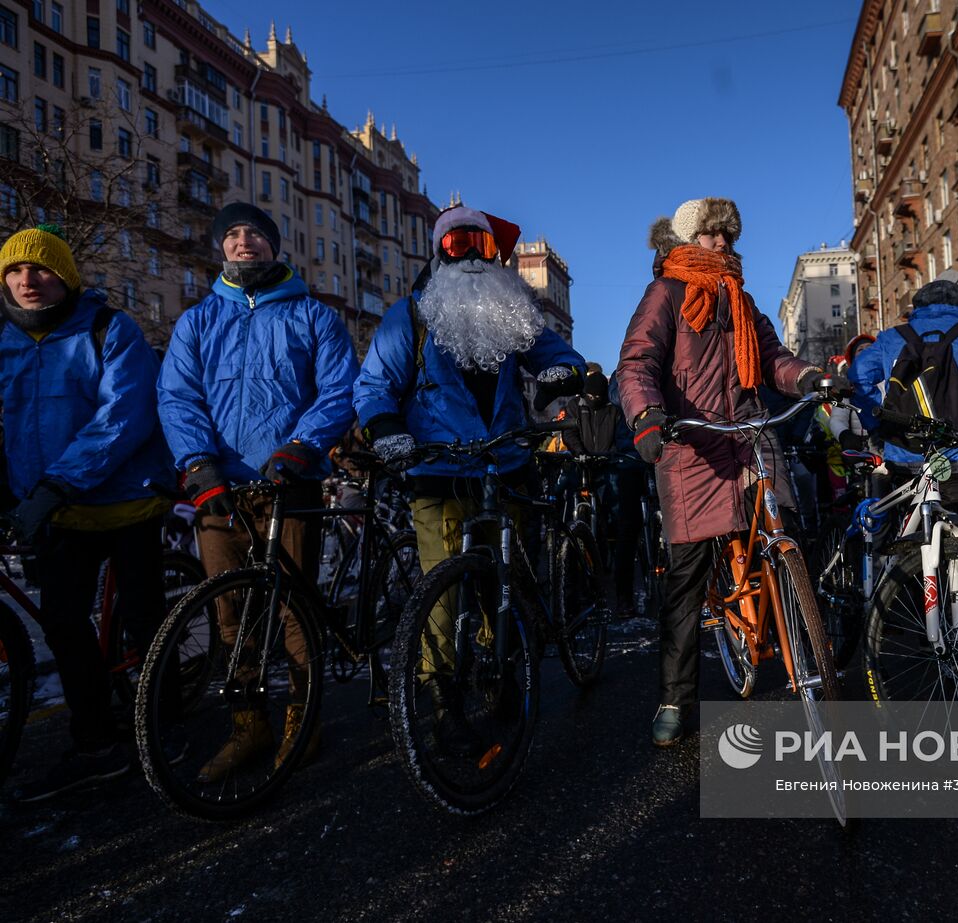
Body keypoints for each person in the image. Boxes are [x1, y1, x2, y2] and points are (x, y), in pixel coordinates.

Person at [354, 202, 584, 752]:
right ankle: (443, 700)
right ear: (439, 252)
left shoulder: (512, 310)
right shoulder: (409, 315)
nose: (472, 257)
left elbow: (560, 355)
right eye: (458, 245)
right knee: (443, 597)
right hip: (438, 471)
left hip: (505, 467)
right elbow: (373, 385)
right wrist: (386, 428)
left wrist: (559, 373)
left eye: (480, 245)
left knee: (503, 583)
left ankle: (506, 670)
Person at [616, 197, 836, 746]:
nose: (724, 245)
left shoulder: (742, 299)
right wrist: (646, 415)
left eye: (729, 236)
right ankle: (675, 696)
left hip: (749, 436)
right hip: (691, 447)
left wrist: (809, 377)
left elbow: (772, 357)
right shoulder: (664, 293)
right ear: (690, 240)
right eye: (713, 235)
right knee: (687, 583)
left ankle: (804, 640)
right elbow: (637, 362)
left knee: (787, 537)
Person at [158, 202, 358, 782]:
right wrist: (197, 465)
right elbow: (177, 397)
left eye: (256, 235)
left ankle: (303, 718)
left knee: (295, 609)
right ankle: (249, 725)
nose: (245, 242)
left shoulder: (313, 316)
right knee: (229, 613)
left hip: (287, 484)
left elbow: (338, 389)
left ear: (275, 246)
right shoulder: (196, 321)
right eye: (234, 235)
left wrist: (300, 447)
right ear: (221, 247)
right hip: (220, 492)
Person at [0, 224, 173, 801]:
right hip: (57, 509)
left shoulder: (108, 328)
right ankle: (95, 743)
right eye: (15, 271)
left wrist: (56, 484)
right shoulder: (5, 341)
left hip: (124, 499)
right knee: (64, 625)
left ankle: (162, 729)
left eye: (41, 269)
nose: (28, 281)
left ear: (67, 277)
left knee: (146, 620)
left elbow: (123, 417)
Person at [849, 270, 958, 509]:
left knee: (904, 529)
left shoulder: (893, 337)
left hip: (902, 453)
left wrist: (878, 426)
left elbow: (858, 377)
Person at [560, 364, 646, 615]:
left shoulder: (614, 410)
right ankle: (579, 590)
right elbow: (570, 433)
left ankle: (619, 594)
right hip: (584, 471)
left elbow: (621, 439)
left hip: (610, 469)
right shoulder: (576, 407)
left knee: (620, 527)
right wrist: (581, 454)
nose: (595, 400)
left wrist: (616, 456)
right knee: (574, 522)